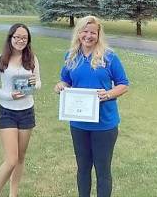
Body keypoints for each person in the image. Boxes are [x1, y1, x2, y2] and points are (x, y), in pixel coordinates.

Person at [55, 16, 129, 197]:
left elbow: (123, 84)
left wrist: (109, 94)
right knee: (83, 168)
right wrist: (61, 86)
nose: (88, 36)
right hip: (79, 123)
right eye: (84, 31)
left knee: (103, 170)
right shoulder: (71, 56)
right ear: (78, 33)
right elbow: (66, 80)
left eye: (92, 32)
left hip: (104, 124)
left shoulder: (109, 56)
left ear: (98, 34)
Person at [0, 23, 41, 197]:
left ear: (28, 40)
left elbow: (38, 83)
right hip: (7, 112)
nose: (20, 40)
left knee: (20, 157)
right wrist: (9, 95)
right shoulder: (0, 59)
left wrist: (34, 84)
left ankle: (14, 193)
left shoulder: (32, 58)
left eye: (24, 38)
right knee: (11, 159)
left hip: (26, 111)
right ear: (10, 38)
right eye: (17, 37)